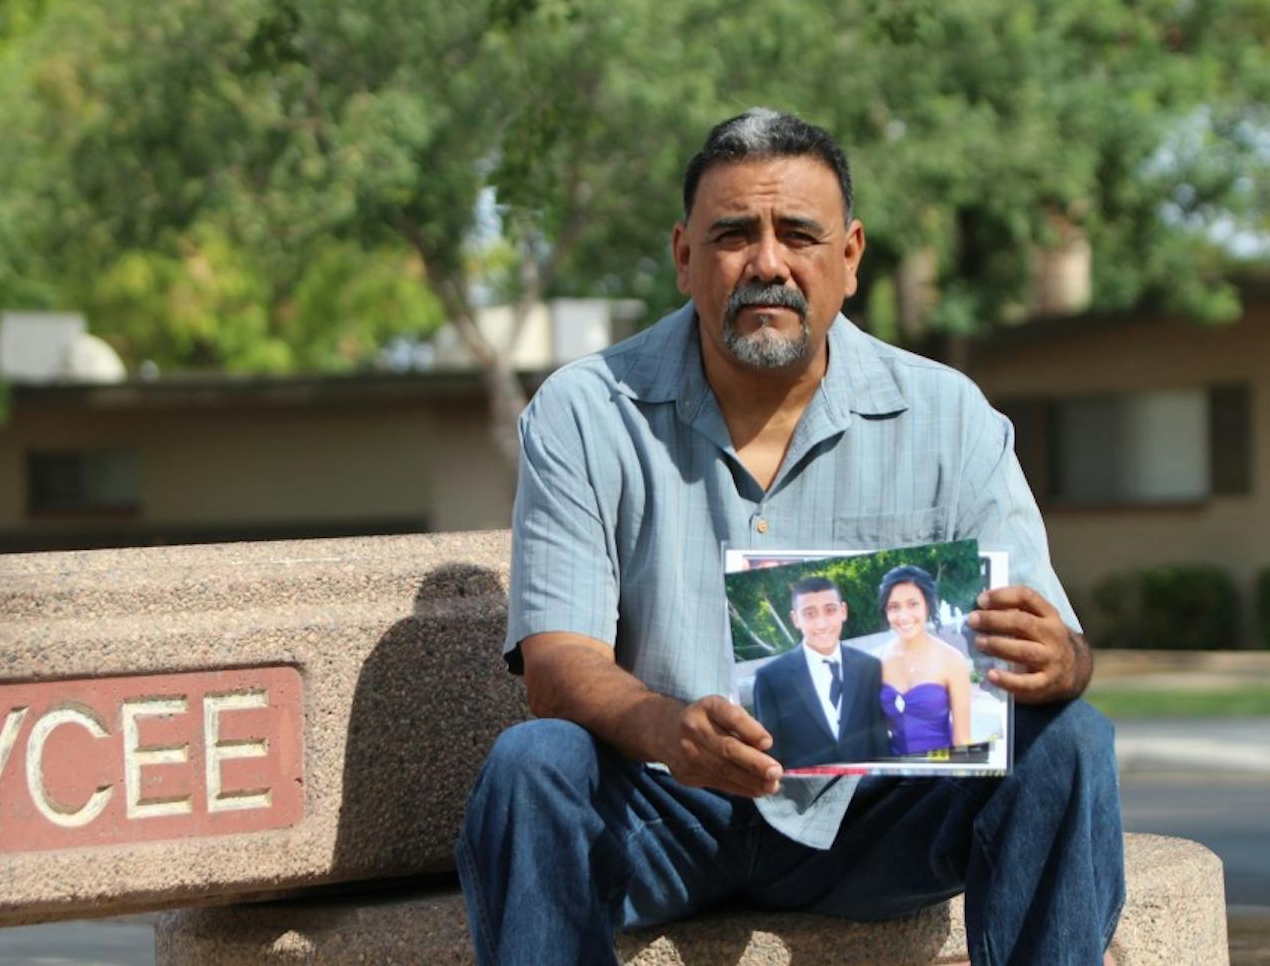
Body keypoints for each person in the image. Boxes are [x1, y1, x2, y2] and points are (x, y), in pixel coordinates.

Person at [457, 108, 1123, 965]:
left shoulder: (949, 415)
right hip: (665, 811)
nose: (766, 262)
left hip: (874, 818)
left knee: (1069, 738)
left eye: (797, 234)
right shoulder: (586, 411)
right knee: (532, 761)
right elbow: (555, 667)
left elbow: (1049, 645)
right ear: (684, 256)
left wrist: (1061, 660)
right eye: (733, 234)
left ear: (848, 257)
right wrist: (667, 730)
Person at [752, 576, 890, 768]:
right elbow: (770, 756)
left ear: (843, 611)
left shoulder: (870, 667)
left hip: (867, 790)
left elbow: (880, 739)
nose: (822, 623)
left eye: (830, 610)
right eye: (810, 614)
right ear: (795, 619)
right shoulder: (770, 678)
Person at [875, 564, 973, 754]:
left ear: (927, 605)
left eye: (913, 604)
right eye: (894, 607)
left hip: (942, 769)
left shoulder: (952, 660)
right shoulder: (875, 661)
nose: (903, 616)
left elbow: (963, 740)